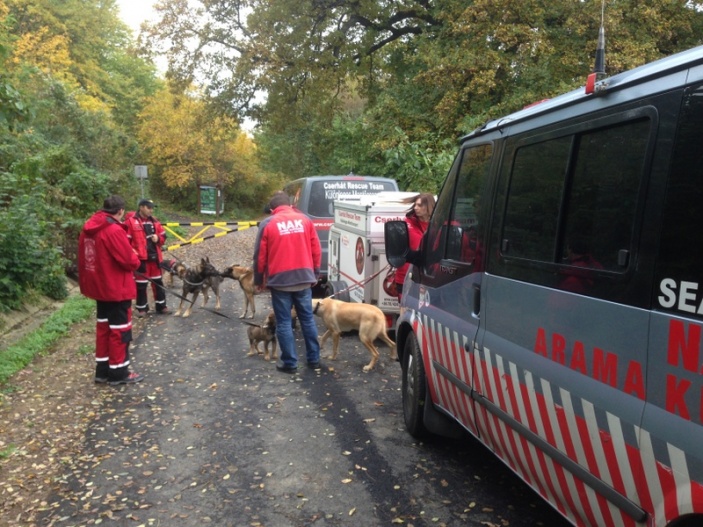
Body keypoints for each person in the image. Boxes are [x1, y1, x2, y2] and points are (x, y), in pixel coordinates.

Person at [78, 195, 144, 385]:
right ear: (121, 211)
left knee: (104, 329)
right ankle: (119, 372)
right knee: (120, 330)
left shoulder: (89, 228)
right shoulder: (113, 230)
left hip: (98, 287)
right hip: (116, 288)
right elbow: (128, 260)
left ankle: (103, 371)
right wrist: (136, 258)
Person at [253, 191, 322, 373]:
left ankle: (290, 363)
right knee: (307, 319)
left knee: (283, 322)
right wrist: (315, 272)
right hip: (304, 279)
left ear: (272, 209)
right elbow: (316, 249)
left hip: (280, 281)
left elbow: (260, 256)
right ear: (290, 205)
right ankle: (314, 359)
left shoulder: (268, 223)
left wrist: (259, 279)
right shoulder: (305, 220)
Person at [124, 199, 169, 317]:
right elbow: (125, 241)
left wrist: (158, 238)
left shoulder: (155, 221)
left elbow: (164, 236)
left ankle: (161, 306)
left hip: (155, 259)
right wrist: (132, 253)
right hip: (141, 260)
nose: (151, 210)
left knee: (158, 283)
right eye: (149, 208)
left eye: (152, 208)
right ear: (141, 207)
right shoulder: (130, 222)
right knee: (141, 285)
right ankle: (141, 309)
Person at [393, 193, 436, 301]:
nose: (416, 208)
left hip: (428, 277)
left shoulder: (438, 225)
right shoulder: (407, 223)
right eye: (415, 205)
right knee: (405, 310)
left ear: (429, 206)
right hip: (405, 276)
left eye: (420, 205)